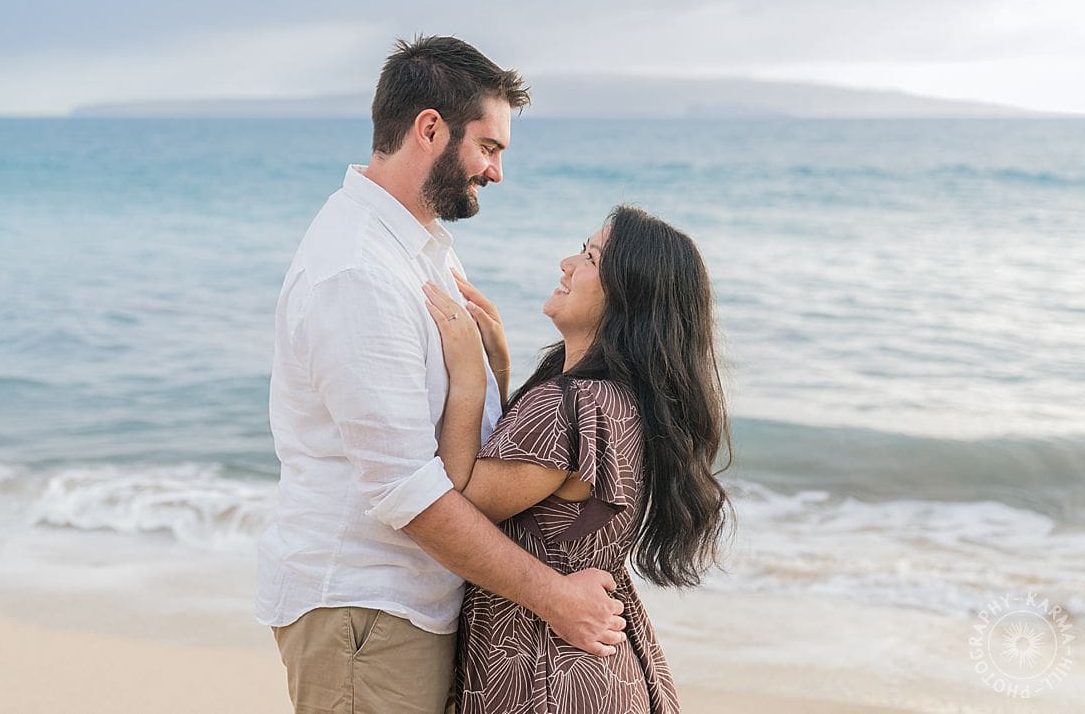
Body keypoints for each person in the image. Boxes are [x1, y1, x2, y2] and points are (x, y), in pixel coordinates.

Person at [256, 35, 627, 714]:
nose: (496, 172)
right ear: (430, 128)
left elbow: (449, 455)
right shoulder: (359, 271)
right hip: (364, 613)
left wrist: (496, 377)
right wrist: (555, 598)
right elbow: (408, 492)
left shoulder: (413, 252)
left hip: (402, 612)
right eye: (490, 147)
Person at [421, 206, 733, 713]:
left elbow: (457, 507)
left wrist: (469, 380)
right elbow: (519, 480)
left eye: (589, 257)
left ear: (627, 295)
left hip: (546, 677)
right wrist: (497, 368)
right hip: (600, 671)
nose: (567, 263)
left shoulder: (571, 405)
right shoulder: (622, 400)